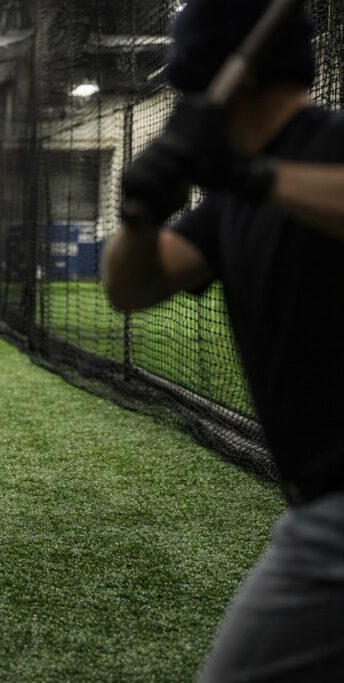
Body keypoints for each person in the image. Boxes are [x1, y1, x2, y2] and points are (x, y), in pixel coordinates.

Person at [102, 0, 344, 679]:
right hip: (318, 502)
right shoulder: (230, 200)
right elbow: (131, 288)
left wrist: (252, 176)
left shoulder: (324, 148)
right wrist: (141, 213)